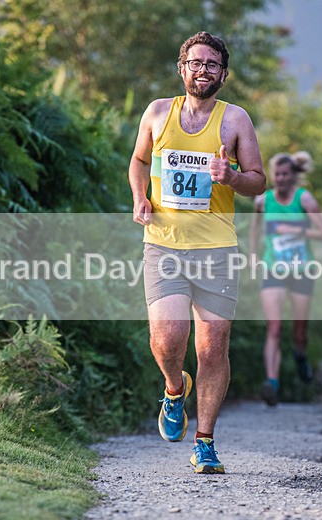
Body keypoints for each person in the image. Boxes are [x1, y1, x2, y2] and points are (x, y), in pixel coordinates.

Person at [129, 31, 266, 474]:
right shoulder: (157, 113)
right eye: (195, 62)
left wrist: (230, 178)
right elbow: (139, 161)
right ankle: (174, 388)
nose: (202, 70)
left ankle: (205, 441)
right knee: (168, 340)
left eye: (211, 64)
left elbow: (258, 180)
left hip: (217, 249)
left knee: (212, 348)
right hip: (163, 244)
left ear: (223, 74)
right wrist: (139, 197)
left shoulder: (236, 121)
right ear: (182, 68)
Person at [250, 152, 322, 406]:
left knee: (299, 330)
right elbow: (254, 229)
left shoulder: (304, 199)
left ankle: (300, 353)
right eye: (277, 175)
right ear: (272, 176)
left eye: (285, 174)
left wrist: (296, 229)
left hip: (301, 271)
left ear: (293, 175)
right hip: (273, 268)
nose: (281, 179)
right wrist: (253, 256)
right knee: (273, 327)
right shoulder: (263, 201)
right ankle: (271, 383)